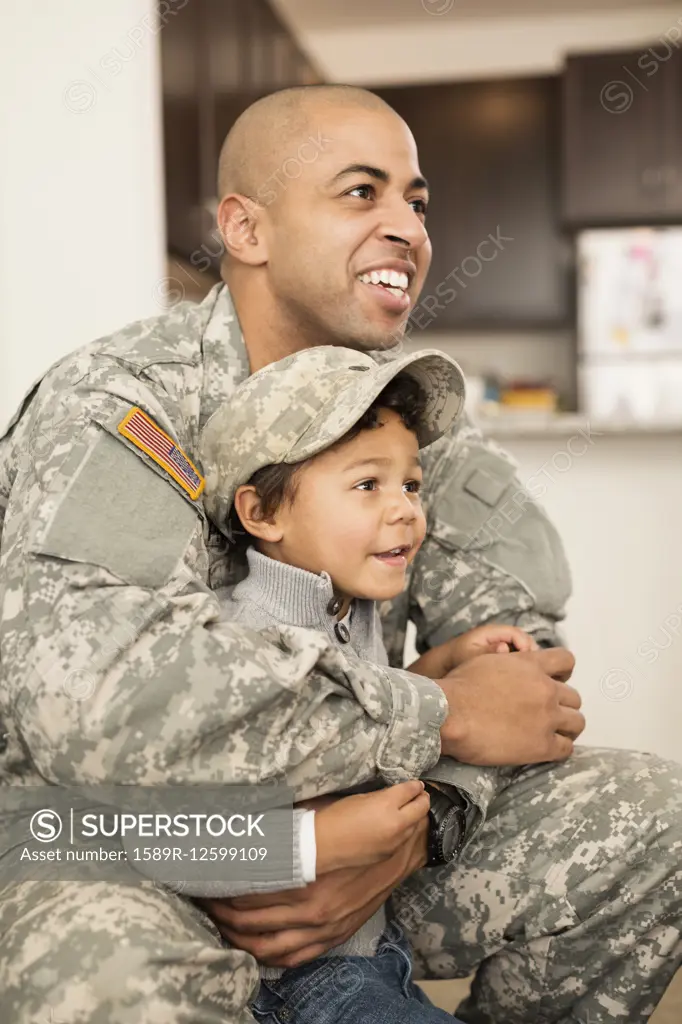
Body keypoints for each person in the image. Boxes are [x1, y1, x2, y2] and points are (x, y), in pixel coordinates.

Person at [0, 83, 678, 1023]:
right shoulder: (123, 405)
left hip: (366, 824)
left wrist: (420, 825)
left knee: (655, 817)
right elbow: (102, 708)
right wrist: (435, 714)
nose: (407, 224)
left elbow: (524, 669)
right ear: (245, 228)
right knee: (102, 977)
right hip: (120, 840)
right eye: (362, 192)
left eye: (417, 200)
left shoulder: (415, 419)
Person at [196, 343, 537, 1023]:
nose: (407, 510)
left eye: (410, 485)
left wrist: (439, 669)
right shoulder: (246, 642)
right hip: (300, 980)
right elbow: (198, 825)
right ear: (264, 514)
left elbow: (362, 712)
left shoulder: (349, 604)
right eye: (367, 485)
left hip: (375, 949)